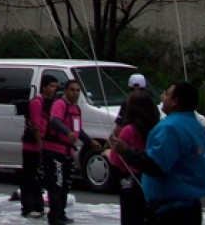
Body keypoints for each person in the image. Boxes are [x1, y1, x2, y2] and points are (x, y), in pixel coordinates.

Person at [110, 81, 205, 224]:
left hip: (171, 210)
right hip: (191, 206)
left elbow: (155, 165)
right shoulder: (197, 127)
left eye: (167, 94)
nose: (163, 97)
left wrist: (126, 151)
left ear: (176, 102)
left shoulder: (170, 128)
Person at [43, 78, 100, 225]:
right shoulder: (59, 104)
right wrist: (67, 132)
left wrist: (90, 141)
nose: (75, 93)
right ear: (66, 91)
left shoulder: (76, 109)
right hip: (55, 150)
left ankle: (60, 213)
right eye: (72, 90)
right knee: (57, 183)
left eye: (77, 91)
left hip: (67, 151)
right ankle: (54, 215)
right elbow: (54, 120)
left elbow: (78, 130)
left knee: (65, 185)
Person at [106, 88, 158, 225]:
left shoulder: (128, 130)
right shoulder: (156, 128)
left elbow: (117, 160)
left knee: (130, 216)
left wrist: (109, 154)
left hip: (129, 180)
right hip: (148, 178)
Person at [21, 74, 58, 219]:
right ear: (44, 87)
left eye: (55, 86)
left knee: (37, 177)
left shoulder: (49, 103)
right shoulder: (37, 102)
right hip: (32, 145)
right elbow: (36, 125)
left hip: (41, 143)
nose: (54, 89)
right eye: (51, 86)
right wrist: (40, 144)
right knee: (29, 176)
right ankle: (28, 206)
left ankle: (38, 204)